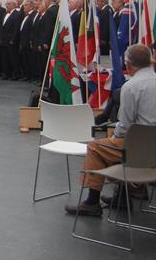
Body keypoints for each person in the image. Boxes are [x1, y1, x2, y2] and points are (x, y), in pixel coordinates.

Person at [65, 44, 156, 216]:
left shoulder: (131, 87)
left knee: (96, 148)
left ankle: (92, 202)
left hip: (138, 146)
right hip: (151, 149)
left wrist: (114, 136)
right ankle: (124, 195)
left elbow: (125, 125)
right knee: (115, 148)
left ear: (128, 65)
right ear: (150, 61)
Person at [0, 0, 22, 80]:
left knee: (13, 58)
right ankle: (6, 74)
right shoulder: (5, 13)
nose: (7, 5)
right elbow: (2, 27)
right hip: (4, 40)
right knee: (4, 58)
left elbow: (16, 29)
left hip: (11, 40)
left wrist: (13, 39)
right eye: (6, 4)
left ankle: (16, 74)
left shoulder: (18, 14)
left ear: (14, 5)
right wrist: (0, 38)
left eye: (8, 4)